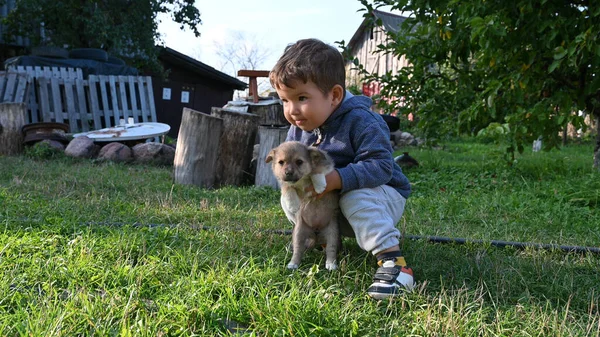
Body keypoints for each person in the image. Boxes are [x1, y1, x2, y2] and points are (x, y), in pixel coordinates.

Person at [269, 38, 414, 299]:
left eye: (302, 98)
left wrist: (337, 179)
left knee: (354, 196)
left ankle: (394, 262)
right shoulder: (300, 126)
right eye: (284, 100)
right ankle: (325, 239)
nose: (292, 110)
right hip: (332, 204)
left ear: (334, 95)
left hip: (380, 199)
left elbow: (381, 167)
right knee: (290, 193)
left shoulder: (362, 121)